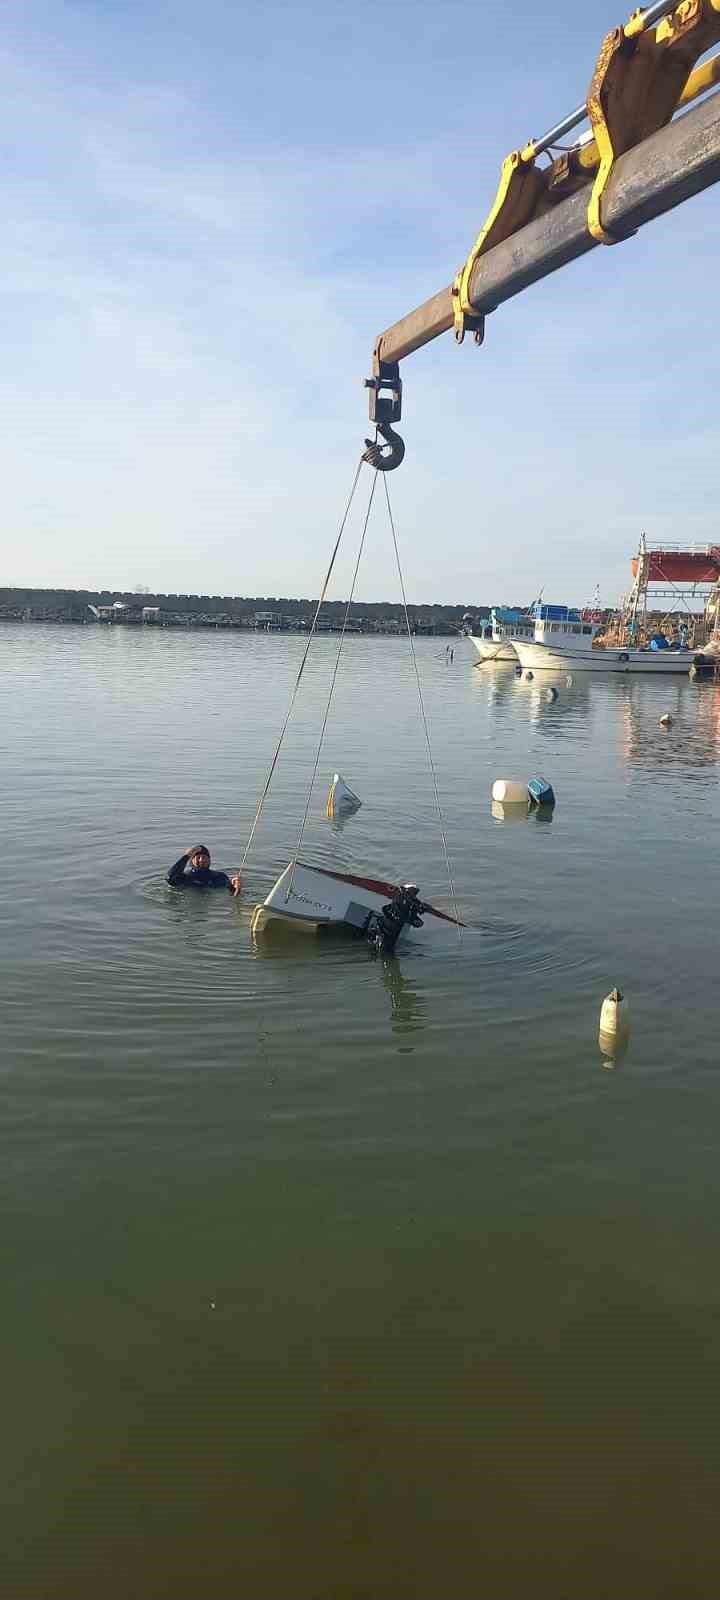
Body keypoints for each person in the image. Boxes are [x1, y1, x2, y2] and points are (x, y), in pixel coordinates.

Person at [167, 844, 242, 895]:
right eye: (198, 857)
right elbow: (171, 876)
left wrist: (235, 888)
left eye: (204, 857)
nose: (201, 860)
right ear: (191, 860)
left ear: (209, 859)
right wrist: (187, 855)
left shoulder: (220, 877)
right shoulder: (184, 878)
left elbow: (233, 897)